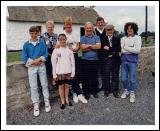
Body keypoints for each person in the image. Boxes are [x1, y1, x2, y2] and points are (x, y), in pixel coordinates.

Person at [22, 26, 51, 117]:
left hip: (41, 66)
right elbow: (24, 58)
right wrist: (34, 61)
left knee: (44, 85)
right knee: (33, 87)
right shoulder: (26, 44)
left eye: (35, 33)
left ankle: (47, 102)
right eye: (32, 33)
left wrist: (39, 60)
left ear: (38, 33)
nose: (34, 35)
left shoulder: (42, 43)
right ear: (30, 34)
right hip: (32, 67)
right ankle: (36, 105)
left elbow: (45, 54)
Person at [62, 16, 87, 104]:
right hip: (66, 57)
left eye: (70, 25)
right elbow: (62, 45)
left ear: (71, 25)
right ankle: (75, 93)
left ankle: (78, 93)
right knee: (70, 74)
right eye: (67, 25)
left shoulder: (76, 33)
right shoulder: (62, 33)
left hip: (75, 55)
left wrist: (76, 49)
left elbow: (78, 45)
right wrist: (68, 48)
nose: (68, 27)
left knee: (76, 73)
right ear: (64, 25)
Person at [51, 34, 75, 109]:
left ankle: (67, 99)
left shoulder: (69, 50)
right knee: (61, 87)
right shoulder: (56, 50)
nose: (62, 41)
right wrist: (54, 74)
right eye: (60, 39)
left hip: (68, 72)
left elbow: (72, 62)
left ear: (66, 40)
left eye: (64, 39)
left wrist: (73, 72)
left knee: (67, 86)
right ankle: (62, 101)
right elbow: (53, 63)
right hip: (59, 72)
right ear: (58, 40)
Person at [120, 22, 142, 103]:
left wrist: (125, 47)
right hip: (123, 61)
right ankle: (126, 90)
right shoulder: (123, 38)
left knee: (132, 79)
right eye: (128, 28)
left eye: (131, 28)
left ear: (134, 29)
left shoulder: (138, 38)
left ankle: (132, 93)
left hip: (133, 62)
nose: (129, 30)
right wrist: (131, 48)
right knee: (123, 78)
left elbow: (137, 50)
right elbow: (121, 50)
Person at [99, 24, 121, 98]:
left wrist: (109, 49)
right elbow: (101, 50)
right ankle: (107, 90)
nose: (109, 31)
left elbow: (118, 49)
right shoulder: (102, 39)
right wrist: (112, 50)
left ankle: (115, 90)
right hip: (106, 60)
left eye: (111, 29)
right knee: (106, 76)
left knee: (115, 76)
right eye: (108, 30)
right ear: (106, 31)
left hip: (115, 60)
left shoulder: (117, 39)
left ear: (113, 30)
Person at [80, 22, 101, 100]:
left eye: (90, 28)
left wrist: (88, 46)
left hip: (95, 60)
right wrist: (93, 46)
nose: (89, 29)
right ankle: (86, 93)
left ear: (92, 28)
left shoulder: (96, 37)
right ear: (85, 28)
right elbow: (82, 48)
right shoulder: (82, 38)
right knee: (86, 77)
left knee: (94, 77)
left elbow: (98, 46)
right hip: (85, 60)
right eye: (87, 28)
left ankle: (94, 91)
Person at [41, 20, 58, 87]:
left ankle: (55, 79)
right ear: (46, 27)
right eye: (48, 27)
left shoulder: (56, 36)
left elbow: (57, 46)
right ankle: (51, 80)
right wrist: (49, 54)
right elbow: (42, 47)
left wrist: (54, 54)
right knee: (48, 67)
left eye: (51, 27)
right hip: (46, 53)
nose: (50, 28)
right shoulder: (43, 36)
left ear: (53, 27)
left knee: (55, 67)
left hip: (55, 52)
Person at [95, 17, 106, 91]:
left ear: (103, 23)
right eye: (99, 23)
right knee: (98, 71)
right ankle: (99, 85)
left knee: (105, 71)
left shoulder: (106, 31)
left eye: (102, 22)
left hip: (105, 55)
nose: (100, 24)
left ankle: (105, 85)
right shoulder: (94, 32)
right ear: (97, 24)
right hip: (96, 54)